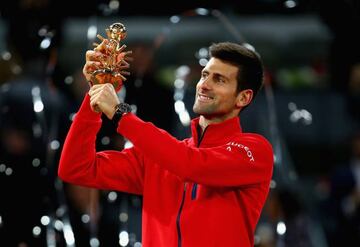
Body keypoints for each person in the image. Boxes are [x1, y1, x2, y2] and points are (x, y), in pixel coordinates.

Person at [58, 41, 274, 246]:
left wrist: (120, 114)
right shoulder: (160, 156)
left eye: (219, 80)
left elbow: (192, 166)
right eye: (205, 75)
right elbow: (76, 169)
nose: (204, 85)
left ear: (243, 98)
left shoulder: (254, 150)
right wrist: (93, 99)